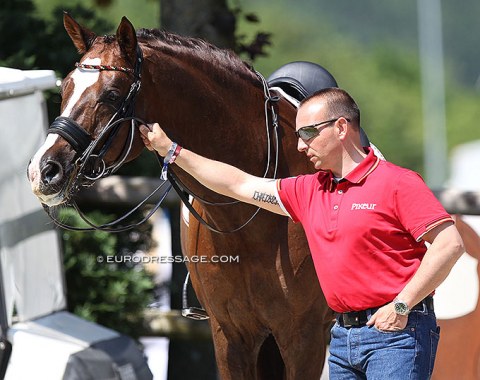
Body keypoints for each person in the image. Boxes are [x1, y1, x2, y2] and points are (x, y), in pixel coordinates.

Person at [139, 87, 464, 379]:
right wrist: (172, 150)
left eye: (308, 132)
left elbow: (449, 243)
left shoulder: (397, 182)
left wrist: (402, 306)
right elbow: (237, 183)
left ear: (341, 128)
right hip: (342, 339)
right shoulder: (309, 191)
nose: (299, 145)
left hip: (396, 337)